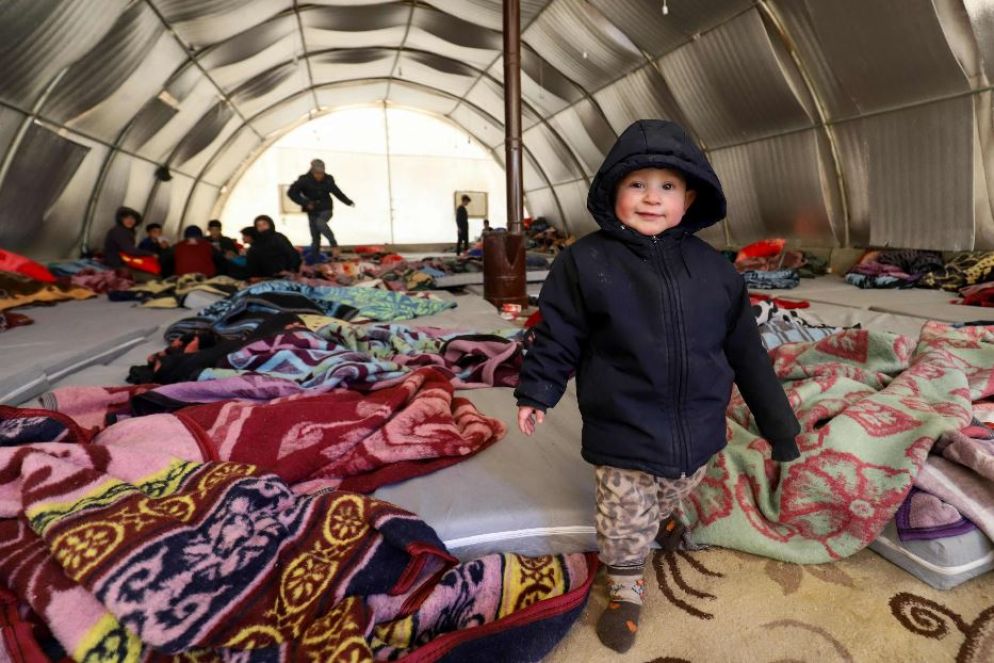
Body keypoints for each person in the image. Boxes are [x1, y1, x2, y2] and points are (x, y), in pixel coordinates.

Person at [513, 119, 801, 654]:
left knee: (678, 485)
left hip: (698, 426)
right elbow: (558, 335)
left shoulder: (715, 272)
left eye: (666, 186)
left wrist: (778, 426)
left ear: (689, 198)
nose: (651, 198)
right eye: (637, 184)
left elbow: (748, 354)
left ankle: (664, 514)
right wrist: (538, 391)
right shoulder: (585, 262)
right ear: (612, 191)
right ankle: (625, 587)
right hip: (622, 422)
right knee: (624, 514)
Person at [287, 158, 354, 261]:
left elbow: (337, 192)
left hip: (326, 207)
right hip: (312, 209)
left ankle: (334, 245)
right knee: (315, 236)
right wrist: (304, 202)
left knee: (320, 223)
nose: (319, 176)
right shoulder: (304, 180)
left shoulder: (328, 179)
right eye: (317, 173)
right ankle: (314, 259)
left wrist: (348, 201)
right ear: (312, 171)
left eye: (321, 173)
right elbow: (291, 193)